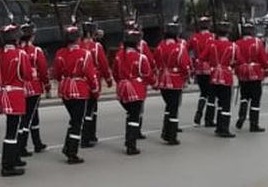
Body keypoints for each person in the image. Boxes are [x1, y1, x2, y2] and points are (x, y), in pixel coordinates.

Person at [52, 25, 98, 164]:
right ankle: (72, 152)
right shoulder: (85, 53)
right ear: (78, 39)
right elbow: (90, 74)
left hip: (65, 89)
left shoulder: (60, 53)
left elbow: (57, 74)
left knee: (74, 120)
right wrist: (95, 89)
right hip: (79, 89)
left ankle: (68, 147)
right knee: (78, 122)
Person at [0, 23, 34, 176]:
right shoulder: (20, 54)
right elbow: (27, 75)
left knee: (13, 129)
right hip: (15, 95)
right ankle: (7, 165)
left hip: (3, 93)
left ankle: (14, 158)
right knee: (12, 131)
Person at [113, 27, 154, 155]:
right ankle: (131, 144)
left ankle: (129, 139)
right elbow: (147, 74)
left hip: (122, 89)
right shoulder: (141, 57)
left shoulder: (119, 56)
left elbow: (115, 73)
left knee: (131, 114)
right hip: (135, 90)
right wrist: (154, 83)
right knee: (134, 117)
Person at [154, 21, 190, 145]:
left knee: (169, 106)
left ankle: (166, 131)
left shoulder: (160, 46)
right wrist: (186, 77)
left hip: (163, 79)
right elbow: (184, 65)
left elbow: (156, 63)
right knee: (173, 108)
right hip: (175, 80)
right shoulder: (179, 47)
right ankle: (171, 135)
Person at [80, 20, 113, 147]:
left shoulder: (79, 44)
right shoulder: (96, 47)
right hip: (93, 79)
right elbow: (104, 65)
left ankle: (90, 134)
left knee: (86, 109)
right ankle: (88, 136)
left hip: (81, 82)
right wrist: (108, 79)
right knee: (91, 109)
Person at [20, 21, 50, 154]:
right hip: (33, 86)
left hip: (20, 87)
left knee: (32, 115)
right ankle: (22, 145)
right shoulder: (36, 51)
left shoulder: (18, 50)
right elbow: (43, 70)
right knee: (28, 117)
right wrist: (47, 84)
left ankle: (37, 142)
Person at [204, 21, 237, 138]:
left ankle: (218, 126)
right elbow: (239, 60)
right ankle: (224, 128)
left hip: (213, 76)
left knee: (217, 102)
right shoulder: (232, 46)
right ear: (228, 33)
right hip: (226, 76)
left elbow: (203, 57)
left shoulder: (211, 44)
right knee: (225, 104)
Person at [234, 23, 268, 132]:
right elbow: (263, 58)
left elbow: (235, 58)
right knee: (255, 99)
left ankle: (242, 115)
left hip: (243, 72)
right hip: (255, 73)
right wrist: (266, 69)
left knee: (244, 96)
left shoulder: (237, 43)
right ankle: (254, 124)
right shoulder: (257, 42)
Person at [188, 17, 215, 126]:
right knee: (212, 95)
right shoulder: (212, 37)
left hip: (199, 68)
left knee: (203, 93)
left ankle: (198, 113)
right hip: (210, 68)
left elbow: (185, 49)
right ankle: (209, 119)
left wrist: (192, 61)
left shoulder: (194, 37)